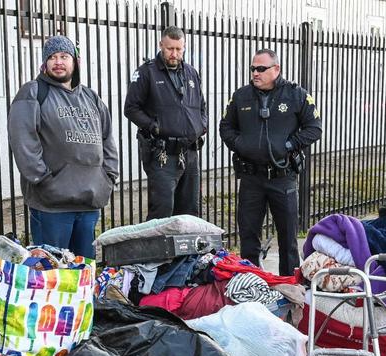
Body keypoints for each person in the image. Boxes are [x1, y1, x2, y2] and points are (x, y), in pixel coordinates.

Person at [8, 35, 118, 258]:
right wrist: (42, 179)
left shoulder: (91, 97)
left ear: (75, 62)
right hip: (52, 204)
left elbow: (107, 139)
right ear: (44, 64)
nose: (58, 62)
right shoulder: (33, 92)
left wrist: (109, 176)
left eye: (64, 56)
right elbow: (23, 140)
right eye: (52, 57)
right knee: (53, 270)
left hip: (89, 200)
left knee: (85, 269)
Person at [219, 48, 322, 276]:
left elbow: (314, 128)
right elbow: (225, 127)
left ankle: (289, 286)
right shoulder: (241, 96)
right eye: (253, 68)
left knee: (287, 239)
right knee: (248, 237)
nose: (255, 73)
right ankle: (250, 284)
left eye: (261, 69)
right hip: (251, 178)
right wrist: (241, 144)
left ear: (276, 69)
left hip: (282, 178)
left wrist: (288, 146)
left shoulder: (296, 95)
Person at [124, 26, 207, 220]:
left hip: (190, 153)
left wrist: (201, 126)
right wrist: (154, 126)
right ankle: (158, 251)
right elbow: (131, 108)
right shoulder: (147, 73)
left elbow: (201, 106)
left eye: (179, 49)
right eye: (170, 48)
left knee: (190, 212)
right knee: (162, 211)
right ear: (161, 45)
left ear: (184, 47)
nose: (174, 54)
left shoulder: (191, 73)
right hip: (162, 154)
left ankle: (186, 252)